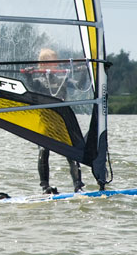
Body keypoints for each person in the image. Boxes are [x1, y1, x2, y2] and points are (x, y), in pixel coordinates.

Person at [32, 48, 84, 194]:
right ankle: (45, 186)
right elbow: (31, 87)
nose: (51, 66)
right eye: (46, 63)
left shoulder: (64, 78)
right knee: (43, 150)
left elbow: (79, 85)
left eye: (54, 62)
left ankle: (78, 185)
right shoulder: (37, 80)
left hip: (62, 120)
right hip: (45, 120)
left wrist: (85, 71)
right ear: (41, 65)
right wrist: (29, 76)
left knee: (71, 152)